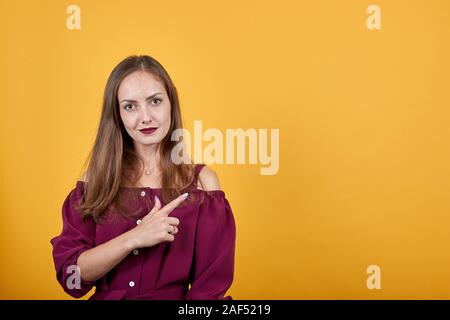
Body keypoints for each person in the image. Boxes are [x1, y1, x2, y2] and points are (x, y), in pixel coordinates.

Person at [50, 55, 236, 300]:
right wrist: (133, 238)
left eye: (155, 101)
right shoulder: (95, 181)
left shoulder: (203, 184)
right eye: (130, 106)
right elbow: (72, 279)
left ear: (171, 103)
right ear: (117, 114)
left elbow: (209, 291)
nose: (145, 117)